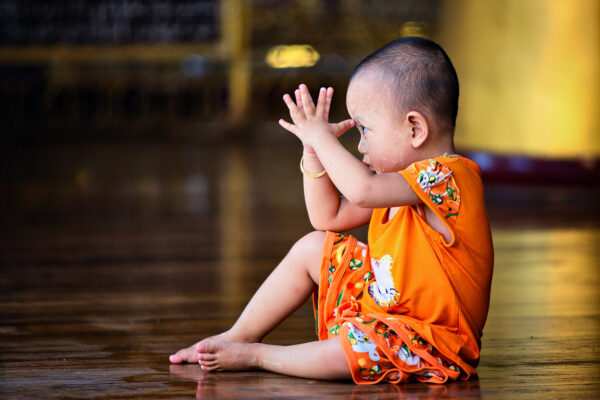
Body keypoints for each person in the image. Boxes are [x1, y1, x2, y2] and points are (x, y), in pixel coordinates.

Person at [169, 37, 494, 385]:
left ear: (415, 129)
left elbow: (361, 190)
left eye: (365, 130)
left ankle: (259, 356)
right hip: (384, 312)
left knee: (358, 345)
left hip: (433, 342)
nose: (361, 145)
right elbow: (328, 218)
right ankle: (238, 336)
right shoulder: (397, 185)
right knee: (312, 246)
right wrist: (313, 151)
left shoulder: (448, 178)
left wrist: (324, 139)